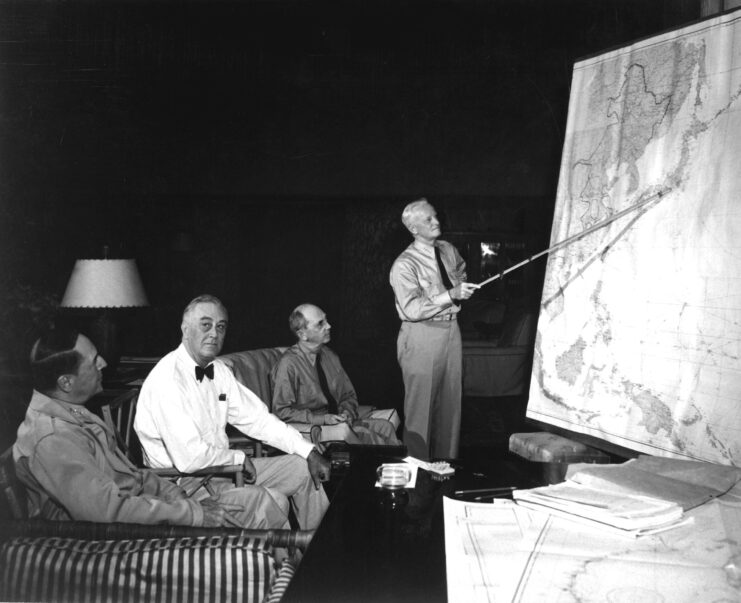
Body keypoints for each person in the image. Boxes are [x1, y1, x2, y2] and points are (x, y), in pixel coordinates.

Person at [13, 325, 247, 528]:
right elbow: (107, 512)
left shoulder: (73, 413)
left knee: (260, 503)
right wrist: (191, 514)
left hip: (149, 514)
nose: (103, 363)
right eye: (94, 361)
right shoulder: (53, 439)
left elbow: (133, 477)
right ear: (66, 382)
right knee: (257, 511)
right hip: (109, 543)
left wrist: (179, 498)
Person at [135, 294, 330, 531]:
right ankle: (288, 564)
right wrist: (237, 458)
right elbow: (191, 458)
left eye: (221, 327)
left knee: (302, 469)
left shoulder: (218, 370)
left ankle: (320, 551)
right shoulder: (167, 379)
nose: (214, 334)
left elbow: (259, 420)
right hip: (184, 487)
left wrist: (308, 451)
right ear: (185, 330)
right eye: (205, 325)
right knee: (274, 502)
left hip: (224, 472)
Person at [389, 198, 479, 460]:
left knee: (451, 404)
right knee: (421, 409)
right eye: (428, 219)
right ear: (414, 228)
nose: (436, 222)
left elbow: (460, 269)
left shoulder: (448, 249)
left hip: (452, 331)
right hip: (421, 334)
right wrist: (451, 294)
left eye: (435, 216)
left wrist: (460, 287)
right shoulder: (404, 264)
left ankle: (445, 466)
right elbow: (411, 310)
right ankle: (418, 469)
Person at [271, 303, 401, 446]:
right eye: (320, 324)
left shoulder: (329, 356)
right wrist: (323, 419)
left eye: (326, 320)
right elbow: (281, 411)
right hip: (314, 428)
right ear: (302, 334)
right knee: (370, 439)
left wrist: (347, 413)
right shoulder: (289, 364)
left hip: (338, 421)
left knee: (386, 428)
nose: (328, 326)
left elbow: (348, 396)